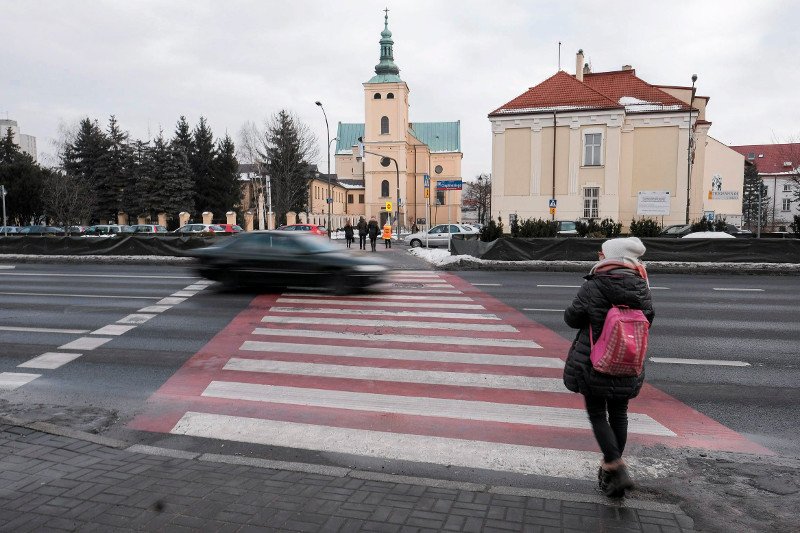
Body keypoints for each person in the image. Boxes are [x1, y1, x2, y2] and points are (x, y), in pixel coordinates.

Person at [563, 237, 654, 498]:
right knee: (619, 414)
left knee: (596, 413)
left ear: (611, 256)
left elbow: (573, 317)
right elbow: (648, 319)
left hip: (596, 361)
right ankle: (611, 472)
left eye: (602, 252)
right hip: (628, 359)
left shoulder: (595, 284)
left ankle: (614, 464)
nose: (599, 256)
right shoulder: (642, 284)